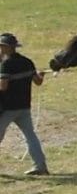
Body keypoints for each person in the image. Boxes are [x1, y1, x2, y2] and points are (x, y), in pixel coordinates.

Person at [0, 31, 50, 176]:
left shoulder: (6, 65)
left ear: (8, 47)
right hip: (24, 107)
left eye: (2, 46)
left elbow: (3, 86)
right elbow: (38, 82)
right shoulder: (27, 62)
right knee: (30, 136)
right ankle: (40, 166)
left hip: (7, 108)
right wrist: (40, 75)